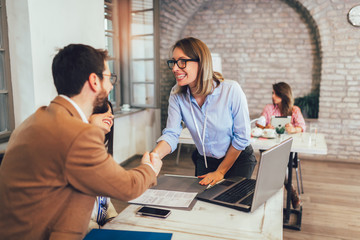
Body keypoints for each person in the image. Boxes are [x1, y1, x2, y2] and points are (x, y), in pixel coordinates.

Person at [0, 44, 162, 240]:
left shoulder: (34, 120)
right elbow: (126, 187)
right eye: (109, 78)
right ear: (94, 81)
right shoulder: (78, 133)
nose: (111, 86)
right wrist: (149, 169)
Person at [153, 37, 256, 187]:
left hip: (237, 158)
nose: (175, 68)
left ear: (201, 63)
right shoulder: (176, 95)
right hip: (206, 161)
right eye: (174, 62)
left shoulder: (231, 90)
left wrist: (220, 172)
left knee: (232, 205)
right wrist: (155, 155)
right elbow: (172, 134)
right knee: (203, 206)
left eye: (182, 62)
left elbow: (242, 138)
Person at [259, 81, 305, 209]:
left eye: (275, 93)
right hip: (270, 148)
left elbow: (302, 127)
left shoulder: (294, 110)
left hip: (287, 149)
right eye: (273, 93)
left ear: (283, 95)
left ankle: (270, 201)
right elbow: (261, 123)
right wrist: (266, 127)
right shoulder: (269, 108)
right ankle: (292, 194)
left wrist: (293, 129)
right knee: (277, 164)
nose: (273, 96)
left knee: (277, 165)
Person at [88, 100, 118, 230]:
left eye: (111, 113)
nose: (111, 116)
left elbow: (103, 198)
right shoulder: (76, 152)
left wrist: (112, 218)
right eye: (104, 111)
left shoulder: (100, 153)